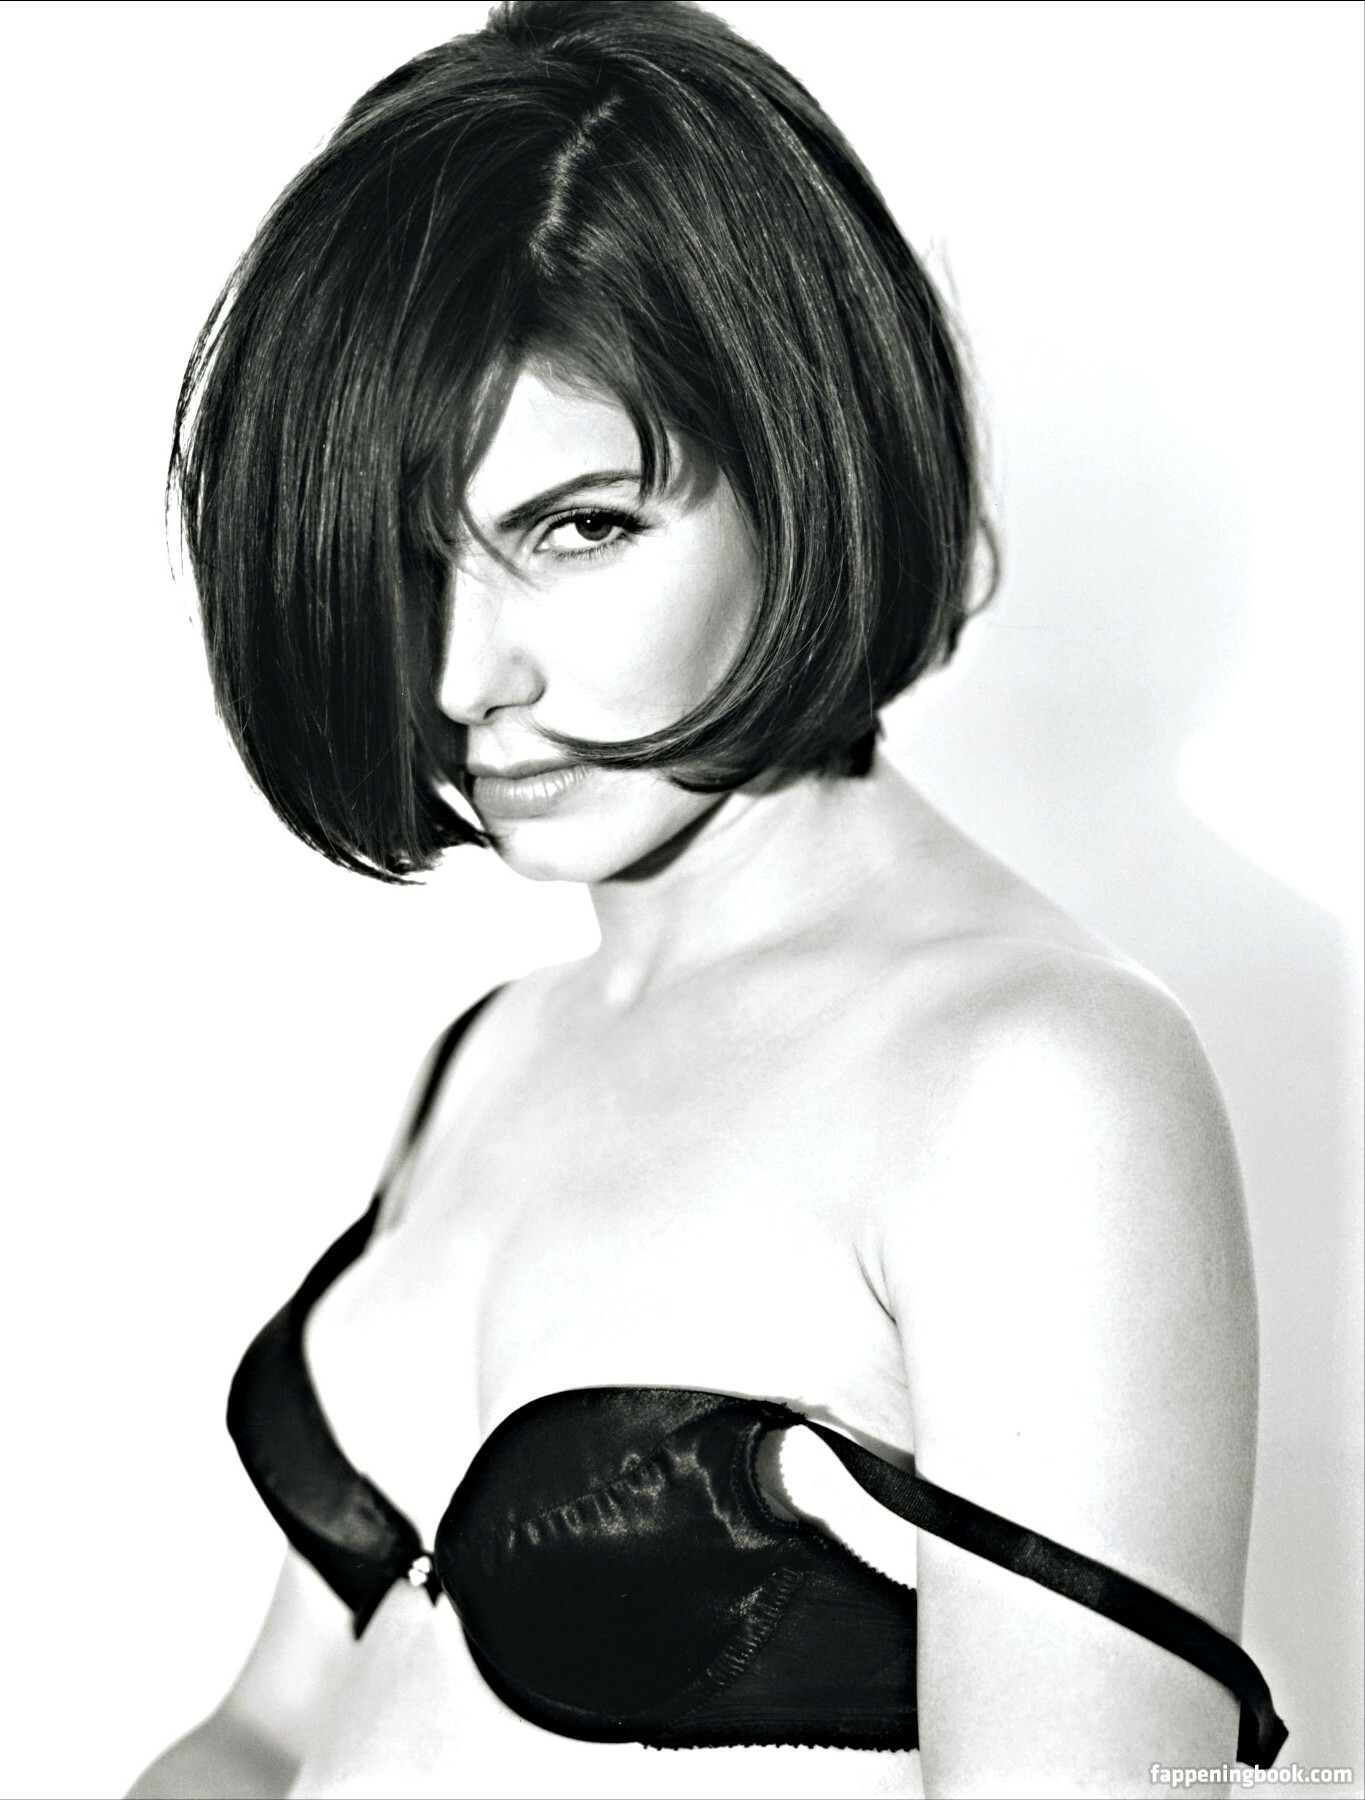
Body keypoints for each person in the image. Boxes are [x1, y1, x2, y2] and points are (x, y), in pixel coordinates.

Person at [130, 3, 1285, 1795]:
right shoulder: (488, 1055)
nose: (463, 677)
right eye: (409, 563)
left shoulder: (1035, 1080)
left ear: (799, 462)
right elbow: (271, 1727)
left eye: (580, 528)